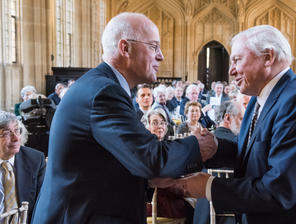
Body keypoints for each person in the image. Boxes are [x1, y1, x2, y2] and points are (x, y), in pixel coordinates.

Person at [31, 12, 217, 223]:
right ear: (125, 48)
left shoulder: (103, 86)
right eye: (154, 46)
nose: (161, 56)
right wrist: (198, 146)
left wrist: (148, 179)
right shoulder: (103, 92)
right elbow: (149, 158)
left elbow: (108, 160)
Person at [176, 25, 296, 223]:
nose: (231, 70)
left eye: (237, 60)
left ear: (268, 57)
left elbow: (278, 191)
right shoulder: (260, 99)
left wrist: (208, 187)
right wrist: (216, 149)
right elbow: (256, 154)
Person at [143, 108, 192, 222]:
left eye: (162, 123)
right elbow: (162, 182)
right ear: (147, 126)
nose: (160, 126)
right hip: (158, 204)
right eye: (155, 123)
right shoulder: (149, 149)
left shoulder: (166, 146)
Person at [0, 111, 46, 223]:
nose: (16, 138)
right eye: (6, 133)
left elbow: (42, 205)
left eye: (17, 130)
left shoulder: (35, 159)